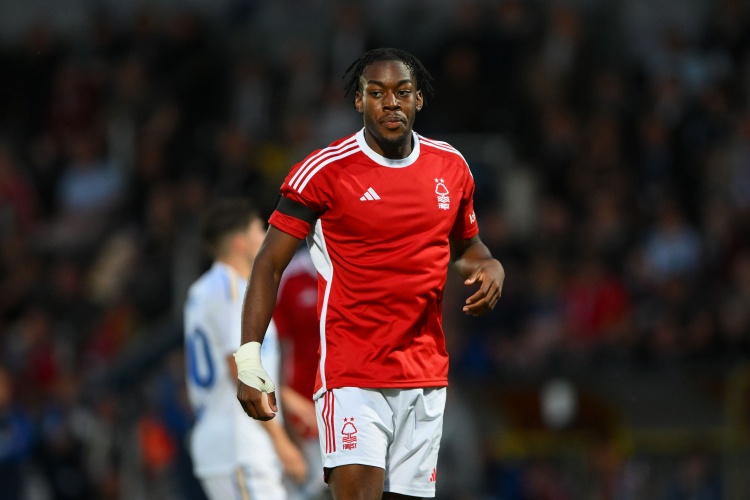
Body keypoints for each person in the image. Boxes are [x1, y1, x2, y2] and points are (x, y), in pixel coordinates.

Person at [234, 47, 505, 499]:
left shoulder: (451, 167)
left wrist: (490, 265)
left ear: (419, 99)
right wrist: (248, 360)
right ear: (359, 101)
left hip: (424, 378)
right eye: (376, 93)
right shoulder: (324, 171)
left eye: (402, 92)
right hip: (352, 377)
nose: (391, 103)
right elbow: (268, 263)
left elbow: (467, 249)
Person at [183, 199, 307, 500]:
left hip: (226, 439)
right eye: (259, 230)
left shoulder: (203, 289)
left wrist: (293, 404)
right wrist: (280, 441)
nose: (265, 237)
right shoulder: (232, 290)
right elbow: (240, 368)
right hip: (241, 443)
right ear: (240, 243)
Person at [273, 245, 329, 499]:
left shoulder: (356, 265)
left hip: (349, 405)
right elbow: (276, 352)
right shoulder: (290, 276)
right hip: (305, 412)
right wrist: (286, 410)